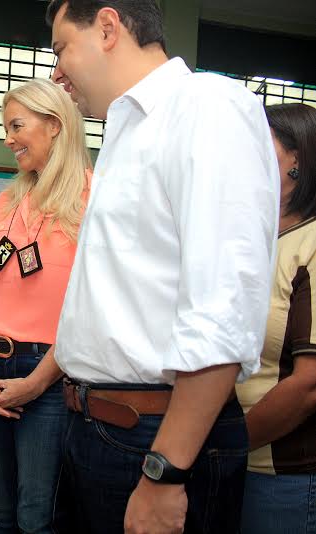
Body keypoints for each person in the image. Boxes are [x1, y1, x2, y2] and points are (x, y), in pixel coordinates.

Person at [46, 1, 279, 533]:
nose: (55, 72)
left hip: (152, 436)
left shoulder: (205, 107)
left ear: (107, 27)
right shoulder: (125, 133)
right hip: (94, 424)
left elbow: (222, 308)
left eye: (62, 49)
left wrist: (165, 471)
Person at [0, 77, 91, 533]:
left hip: (50, 375)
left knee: (36, 518)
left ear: (55, 125)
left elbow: (88, 310)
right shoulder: (7, 201)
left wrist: (36, 383)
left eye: (16, 125)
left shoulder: (92, 197)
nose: (7, 138)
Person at [236, 103, 316, 534]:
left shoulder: (311, 243)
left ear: (297, 160)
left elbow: (308, 385)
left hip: (284, 473)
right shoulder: (254, 241)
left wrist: (229, 444)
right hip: (232, 463)